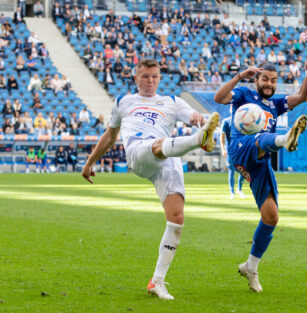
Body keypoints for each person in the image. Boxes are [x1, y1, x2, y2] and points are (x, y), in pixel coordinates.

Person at [81, 59, 219, 300]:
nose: (150, 81)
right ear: (136, 78)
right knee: (157, 145)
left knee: (176, 220)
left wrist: (203, 122)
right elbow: (110, 136)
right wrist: (90, 161)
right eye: (145, 76)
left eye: (155, 76)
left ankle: (157, 281)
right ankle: (199, 140)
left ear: (159, 77)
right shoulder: (123, 102)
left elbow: (194, 116)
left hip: (168, 158)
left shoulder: (172, 102)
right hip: (139, 152)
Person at [213, 51, 307, 292]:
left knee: (271, 217)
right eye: (265, 79)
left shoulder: (276, 103)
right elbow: (219, 97)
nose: (269, 84)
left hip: (260, 161)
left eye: (273, 80)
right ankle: (285, 139)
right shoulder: (244, 94)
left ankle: (250, 267)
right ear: (256, 79)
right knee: (261, 136)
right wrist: (239, 75)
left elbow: (303, 96)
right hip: (242, 148)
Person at [220, 108, 245, 199]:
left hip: (241, 149)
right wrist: (223, 149)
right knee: (231, 170)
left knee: (243, 170)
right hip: (230, 150)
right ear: (230, 110)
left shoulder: (242, 122)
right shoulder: (226, 121)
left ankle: (239, 189)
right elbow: (222, 137)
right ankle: (232, 192)